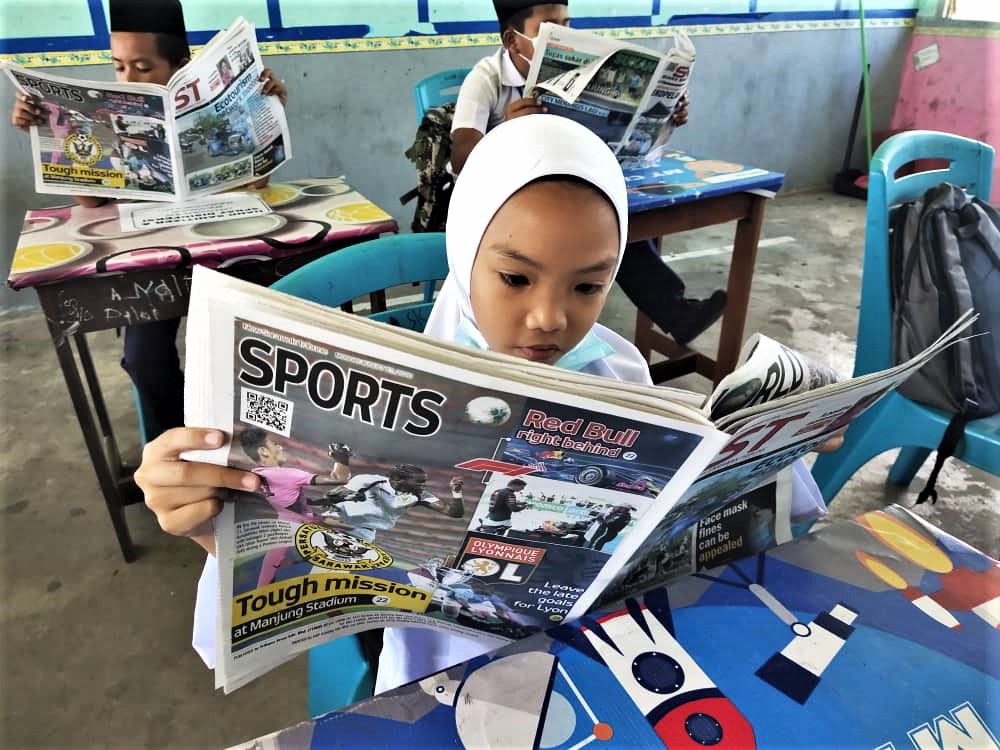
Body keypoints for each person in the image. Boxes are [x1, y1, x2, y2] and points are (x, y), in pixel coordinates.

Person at [136, 114, 831, 698]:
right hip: (450, 674)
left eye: (588, 287)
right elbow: (299, 555)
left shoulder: (615, 369)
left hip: (607, 657)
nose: (550, 317)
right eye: (515, 277)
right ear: (466, 252)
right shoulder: (392, 408)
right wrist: (208, 519)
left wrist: (779, 450)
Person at [9, 0, 288, 436]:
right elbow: (91, 203)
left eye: (142, 67)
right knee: (143, 358)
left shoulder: (211, 111)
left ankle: (249, 435)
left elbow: (256, 182)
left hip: (222, 248)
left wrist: (267, 109)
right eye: (119, 67)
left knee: (252, 343)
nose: (128, 79)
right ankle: (179, 442)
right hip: (152, 261)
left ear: (181, 67)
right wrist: (45, 133)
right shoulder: (105, 116)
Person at [449, 0, 726, 347]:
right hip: (503, 206)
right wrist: (508, 131)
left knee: (605, 227)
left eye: (567, 24)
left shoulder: (582, 74)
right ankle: (675, 312)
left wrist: (665, 114)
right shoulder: (486, 79)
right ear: (512, 40)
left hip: (560, 193)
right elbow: (460, 156)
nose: (563, 34)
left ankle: (674, 311)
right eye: (549, 28)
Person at [314, 464, 465, 542]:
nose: (423, 485)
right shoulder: (368, 481)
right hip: (335, 522)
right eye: (419, 482)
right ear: (399, 480)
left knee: (334, 568)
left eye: (424, 482)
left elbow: (454, 513)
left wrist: (456, 492)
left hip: (364, 533)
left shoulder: (420, 495)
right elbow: (334, 495)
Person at [236, 427, 351, 518]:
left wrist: (325, 501)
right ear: (263, 451)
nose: (280, 448)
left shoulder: (255, 475)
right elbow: (340, 479)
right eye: (275, 444)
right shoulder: (289, 475)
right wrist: (341, 456)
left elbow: (288, 501)